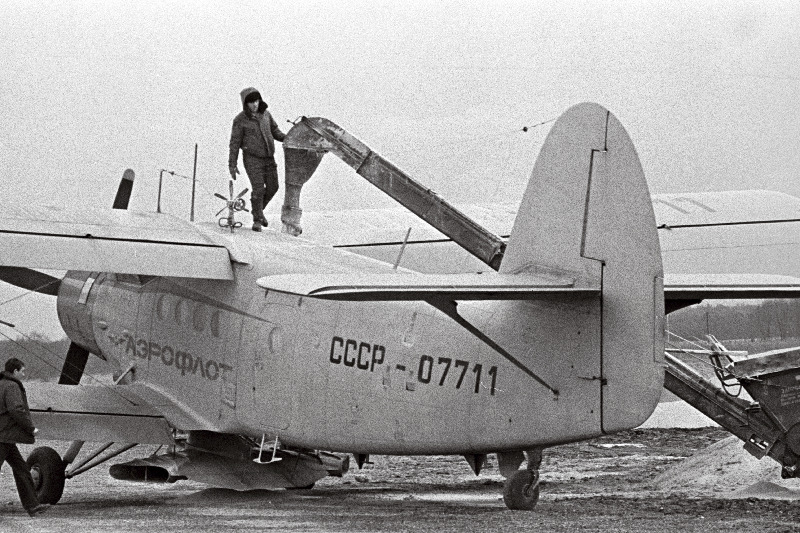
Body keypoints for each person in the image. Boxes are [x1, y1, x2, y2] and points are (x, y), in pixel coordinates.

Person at [228, 87, 286, 232]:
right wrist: (232, 164)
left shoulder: (266, 115)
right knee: (258, 189)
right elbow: (234, 144)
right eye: (251, 102)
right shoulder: (240, 120)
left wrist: (288, 138)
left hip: (269, 158)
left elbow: (275, 131)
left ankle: (258, 212)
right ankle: (257, 221)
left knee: (274, 187)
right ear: (245, 104)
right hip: (252, 160)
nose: (255, 104)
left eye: (256, 101)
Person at [0, 358, 49, 517]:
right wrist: (31, 428)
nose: (24, 373)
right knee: (21, 470)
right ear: (14, 372)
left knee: (22, 470)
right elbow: (16, 410)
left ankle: (33, 506)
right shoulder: (12, 386)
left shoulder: (1, 384)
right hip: (3, 436)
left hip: (6, 438)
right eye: (22, 371)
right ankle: (32, 505)